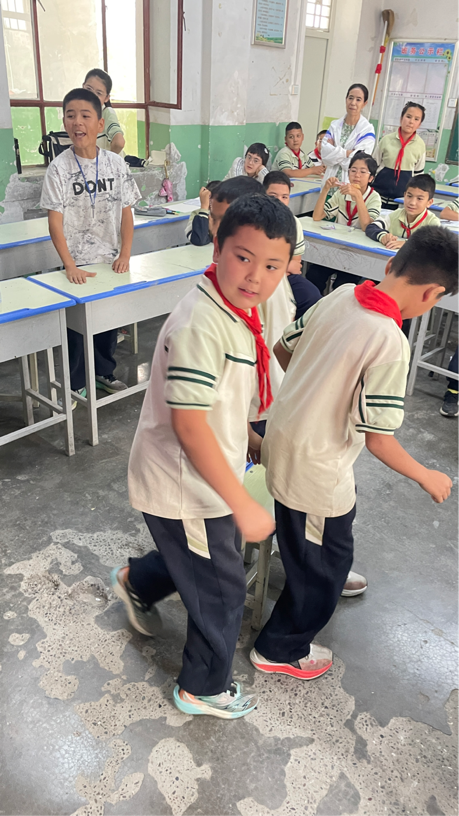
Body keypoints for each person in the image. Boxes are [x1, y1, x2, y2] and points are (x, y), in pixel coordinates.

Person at [112, 195, 297, 719]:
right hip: (187, 483)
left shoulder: (236, 310)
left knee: (201, 562)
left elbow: (220, 400)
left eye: (272, 265)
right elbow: (191, 427)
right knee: (221, 587)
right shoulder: (201, 324)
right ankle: (203, 687)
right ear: (217, 248)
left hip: (209, 472)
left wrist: (250, 439)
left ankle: (137, 582)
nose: (255, 276)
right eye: (243, 257)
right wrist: (241, 502)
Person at [250, 226, 459, 681]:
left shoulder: (340, 295)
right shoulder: (390, 341)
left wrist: (315, 389)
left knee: (325, 525)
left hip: (282, 438)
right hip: (315, 466)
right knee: (326, 562)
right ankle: (280, 648)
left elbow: (283, 349)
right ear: (432, 294)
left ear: (391, 264)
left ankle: (319, 560)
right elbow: (378, 438)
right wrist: (426, 475)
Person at [41, 88, 140, 398]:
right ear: (64, 123)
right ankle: (76, 384)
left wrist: (125, 254)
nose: (77, 122)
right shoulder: (58, 168)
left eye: (85, 115)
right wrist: (70, 265)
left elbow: (126, 213)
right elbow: (54, 222)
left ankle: (103, 373)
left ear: (100, 124)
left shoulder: (116, 164)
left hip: (110, 260)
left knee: (107, 323)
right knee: (76, 329)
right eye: (70, 116)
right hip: (77, 263)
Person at [307, 152, 381, 294]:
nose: (357, 175)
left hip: (358, 254)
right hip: (336, 248)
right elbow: (317, 216)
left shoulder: (374, 198)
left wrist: (358, 196)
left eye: (363, 172)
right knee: (313, 275)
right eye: (353, 170)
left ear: (371, 178)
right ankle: (315, 305)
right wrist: (325, 190)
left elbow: (367, 226)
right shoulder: (341, 193)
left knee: (342, 286)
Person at [263, 170, 321, 317]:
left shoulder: (294, 223)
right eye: (273, 196)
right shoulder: (255, 220)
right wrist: (284, 266)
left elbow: (296, 263)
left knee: (312, 296)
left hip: (284, 276)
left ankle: (295, 330)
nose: (279, 201)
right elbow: (256, 263)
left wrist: (281, 267)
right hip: (260, 276)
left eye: (285, 197)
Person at [373, 102, 427, 208]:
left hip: (402, 201)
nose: (411, 122)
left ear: (419, 124)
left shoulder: (420, 145)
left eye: (416, 119)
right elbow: (373, 167)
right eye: (408, 116)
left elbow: (418, 175)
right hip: (377, 196)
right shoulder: (386, 140)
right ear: (401, 118)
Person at [321, 84, 375, 186]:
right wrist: (347, 153)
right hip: (329, 183)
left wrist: (334, 153)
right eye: (350, 98)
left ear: (364, 103)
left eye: (358, 99)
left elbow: (358, 163)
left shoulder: (367, 130)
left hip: (350, 185)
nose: (353, 103)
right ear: (346, 99)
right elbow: (325, 156)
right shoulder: (334, 125)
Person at [366, 174, 439, 249]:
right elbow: (371, 227)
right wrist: (382, 236)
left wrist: (408, 244)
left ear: (429, 202)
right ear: (404, 195)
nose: (412, 203)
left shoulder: (432, 223)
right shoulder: (395, 215)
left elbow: (434, 244)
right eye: (409, 196)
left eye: (419, 199)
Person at [83, 68, 125, 154]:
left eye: (99, 93)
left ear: (106, 98)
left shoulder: (107, 113)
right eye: (89, 89)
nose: (92, 96)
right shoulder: (77, 111)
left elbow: (119, 143)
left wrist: (107, 160)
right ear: (83, 86)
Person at [185, 180, 221, 246]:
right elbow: (199, 241)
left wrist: (213, 232)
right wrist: (204, 207)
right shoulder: (197, 215)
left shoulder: (230, 215)